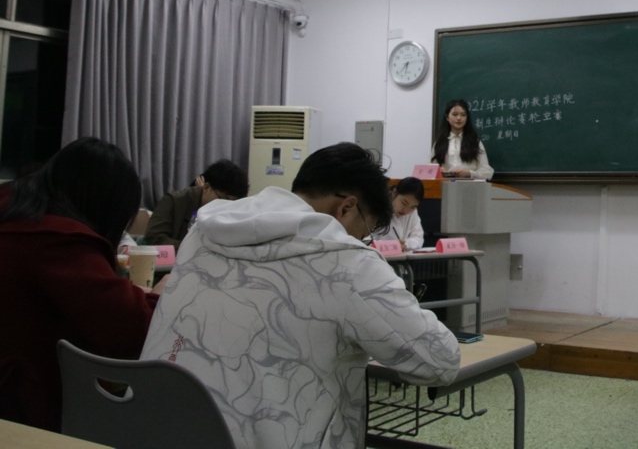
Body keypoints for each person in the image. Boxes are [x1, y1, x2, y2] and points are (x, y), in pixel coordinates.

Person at [139, 142, 460, 449]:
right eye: (364, 233)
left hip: (156, 432)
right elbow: (441, 361)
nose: (362, 242)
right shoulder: (347, 262)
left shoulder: (204, 230)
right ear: (346, 207)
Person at [0, 137, 163, 432]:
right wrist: (168, 297)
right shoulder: (56, 240)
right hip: (21, 414)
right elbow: (130, 329)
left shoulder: (15, 213)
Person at [144, 158, 248, 249]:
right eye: (222, 199)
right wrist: (195, 249)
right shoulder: (174, 201)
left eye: (232, 203)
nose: (225, 206)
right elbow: (154, 238)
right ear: (206, 187)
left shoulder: (233, 212)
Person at [431, 99, 494, 180]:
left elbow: (487, 171)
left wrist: (469, 173)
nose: (459, 118)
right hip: (446, 185)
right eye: (454, 114)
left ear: (467, 118)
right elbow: (430, 169)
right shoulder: (440, 142)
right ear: (447, 117)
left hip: (470, 185)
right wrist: (438, 171)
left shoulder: (475, 141)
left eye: (463, 115)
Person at [369, 177, 425, 251]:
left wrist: (405, 244)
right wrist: (392, 245)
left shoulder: (413, 211)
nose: (406, 210)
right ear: (394, 193)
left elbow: (418, 238)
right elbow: (365, 240)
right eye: (404, 203)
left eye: (412, 207)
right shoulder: (377, 206)